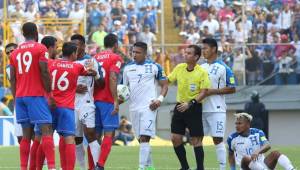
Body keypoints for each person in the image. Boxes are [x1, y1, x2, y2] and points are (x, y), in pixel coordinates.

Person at [9, 22, 56, 170]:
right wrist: (49, 93)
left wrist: (16, 98)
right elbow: (44, 70)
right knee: (46, 130)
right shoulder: (41, 48)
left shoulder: (15, 52)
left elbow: (12, 78)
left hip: (20, 96)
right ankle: (52, 167)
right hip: (36, 95)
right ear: (36, 33)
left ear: (23, 34)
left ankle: (24, 168)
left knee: (26, 135)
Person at [48, 42, 97, 170]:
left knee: (46, 137)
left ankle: (50, 166)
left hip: (51, 106)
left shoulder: (52, 63)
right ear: (74, 53)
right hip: (66, 108)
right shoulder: (76, 67)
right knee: (70, 139)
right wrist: (92, 71)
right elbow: (89, 73)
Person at [122, 42, 168, 170]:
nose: (134, 55)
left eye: (137, 52)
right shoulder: (127, 68)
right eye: (133, 52)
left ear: (145, 53)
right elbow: (123, 89)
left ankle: (141, 167)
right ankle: (149, 166)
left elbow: (164, 85)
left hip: (149, 107)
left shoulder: (155, 66)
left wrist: (159, 99)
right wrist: (118, 101)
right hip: (134, 108)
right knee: (140, 139)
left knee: (144, 137)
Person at [168, 45, 210, 170]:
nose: (185, 54)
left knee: (196, 140)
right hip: (180, 106)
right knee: (175, 139)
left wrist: (190, 103)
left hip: (194, 107)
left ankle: (200, 168)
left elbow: (204, 92)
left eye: (189, 53)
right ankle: (185, 167)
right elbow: (167, 80)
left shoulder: (201, 72)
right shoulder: (179, 67)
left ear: (196, 57)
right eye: (185, 52)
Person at [201, 38, 236, 170]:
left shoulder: (224, 68)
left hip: (217, 109)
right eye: (202, 48)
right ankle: (200, 166)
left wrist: (212, 91)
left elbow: (232, 88)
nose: (203, 51)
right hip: (201, 109)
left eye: (205, 48)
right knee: (196, 139)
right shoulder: (201, 67)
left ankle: (222, 168)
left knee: (217, 139)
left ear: (214, 49)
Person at [71, 34, 104, 170]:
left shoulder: (91, 61)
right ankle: (83, 167)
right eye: (72, 44)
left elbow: (102, 83)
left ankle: (98, 166)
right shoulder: (67, 61)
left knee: (90, 133)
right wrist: (74, 88)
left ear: (84, 46)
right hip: (71, 104)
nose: (74, 47)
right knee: (76, 139)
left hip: (87, 102)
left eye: (77, 44)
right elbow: (61, 86)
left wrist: (95, 74)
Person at [93, 34, 124, 170]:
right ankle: (100, 165)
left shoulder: (95, 57)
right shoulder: (116, 58)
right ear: (116, 45)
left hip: (94, 100)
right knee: (109, 134)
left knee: (95, 135)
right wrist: (116, 100)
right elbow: (112, 78)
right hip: (107, 100)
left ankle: (93, 164)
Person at [227, 112, 295, 170]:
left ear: (248, 124)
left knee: (276, 153)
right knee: (246, 158)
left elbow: (267, 145)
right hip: (247, 168)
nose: (236, 126)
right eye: (236, 123)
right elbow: (230, 154)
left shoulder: (258, 133)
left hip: (262, 165)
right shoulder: (232, 138)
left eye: (239, 123)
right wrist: (233, 169)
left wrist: (257, 151)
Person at [4, 43, 22, 143]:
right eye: (8, 53)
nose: (10, 53)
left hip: (33, 98)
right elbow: (13, 85)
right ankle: (27, 159)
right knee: (20, 137)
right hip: (19, 102)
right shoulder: (8, 68)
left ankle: (41, 159)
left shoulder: (29, 63)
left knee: (35, 134)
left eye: (12, 50)